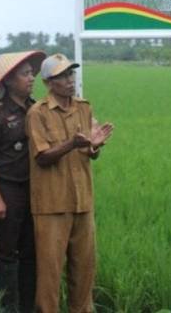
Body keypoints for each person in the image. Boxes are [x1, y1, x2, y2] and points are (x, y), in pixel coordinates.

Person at [26, 53, 113, 313]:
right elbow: (42, 157)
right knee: (50, 276)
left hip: (82, 202)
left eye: (70, 74)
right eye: (62, 76)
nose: (69, 80)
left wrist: (94, 148)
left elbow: (88, 151)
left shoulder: (84, 107)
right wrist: (72, 144)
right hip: (51, 206)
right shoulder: (37, 113)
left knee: (84, 270)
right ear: (48, 82)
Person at [0, 51, 46, 312]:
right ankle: (8, 307)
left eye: (32, 73)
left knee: (31, 252)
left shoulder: (36, 109)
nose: (31, 78)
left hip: (33, 191)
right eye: (25, 73)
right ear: (8, 80)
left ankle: (28, 306)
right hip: (6, 190)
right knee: (7, 254)